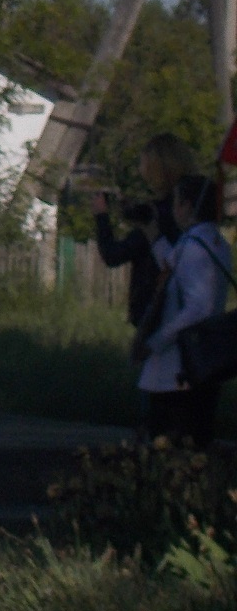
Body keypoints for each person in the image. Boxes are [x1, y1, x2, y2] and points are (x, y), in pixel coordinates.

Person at [135, 172, 227, 449]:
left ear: (187, 206)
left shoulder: (194, 246)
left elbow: (197, 308)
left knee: (172, 449)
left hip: (177, 370)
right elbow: (175, 264)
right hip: (205, 363)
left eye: (177, 202)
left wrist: (155, 341)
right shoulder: (215, 243)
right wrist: (152, 232)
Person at [91, 133, 195, 328]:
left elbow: (113, 254)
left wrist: (101, 216)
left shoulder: (156, 218)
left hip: (156, 315)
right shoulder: (191, 210)